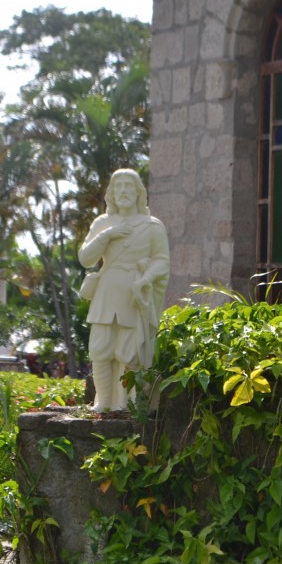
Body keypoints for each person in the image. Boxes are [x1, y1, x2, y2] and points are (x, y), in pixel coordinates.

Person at [79, 168, 170, 412]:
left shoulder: (152, 227)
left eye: (128, 187)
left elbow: (162, 261)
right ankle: (103, 401)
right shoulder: (103, 223)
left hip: (133, 293)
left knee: (129, 354)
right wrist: (107, 236)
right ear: (111, 193)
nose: (123, 192)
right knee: (100, 350)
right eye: (118, 187)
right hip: (106, 292)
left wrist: (146, 279)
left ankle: (126, 403)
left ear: (139, 192)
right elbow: (86, 257)